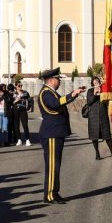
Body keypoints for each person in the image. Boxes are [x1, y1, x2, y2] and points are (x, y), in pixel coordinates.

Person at [36, 68, 83, 204]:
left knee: (56, 165)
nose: (60, 81)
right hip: (51, 134)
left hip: (55, 133)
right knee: (52, 166)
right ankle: (49, 195)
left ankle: (54, 192)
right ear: (51, 80)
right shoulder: (46, 93)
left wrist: (73, 94)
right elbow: (55, 104)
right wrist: (72, 95)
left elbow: (59, 103)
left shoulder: (51, 92)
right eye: (58, 79)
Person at [83, 77, 112, 160]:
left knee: (107, 135)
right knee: (94, 136)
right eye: (94, 81)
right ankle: (97, 154)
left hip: (103, 115)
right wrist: (95, 94)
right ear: (92, 83)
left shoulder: (103, 89)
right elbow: (89, 102)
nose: (96, 82)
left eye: (97, 81)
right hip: (93, 116)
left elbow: (108, 100)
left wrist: (102, 93)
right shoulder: (90, 91)